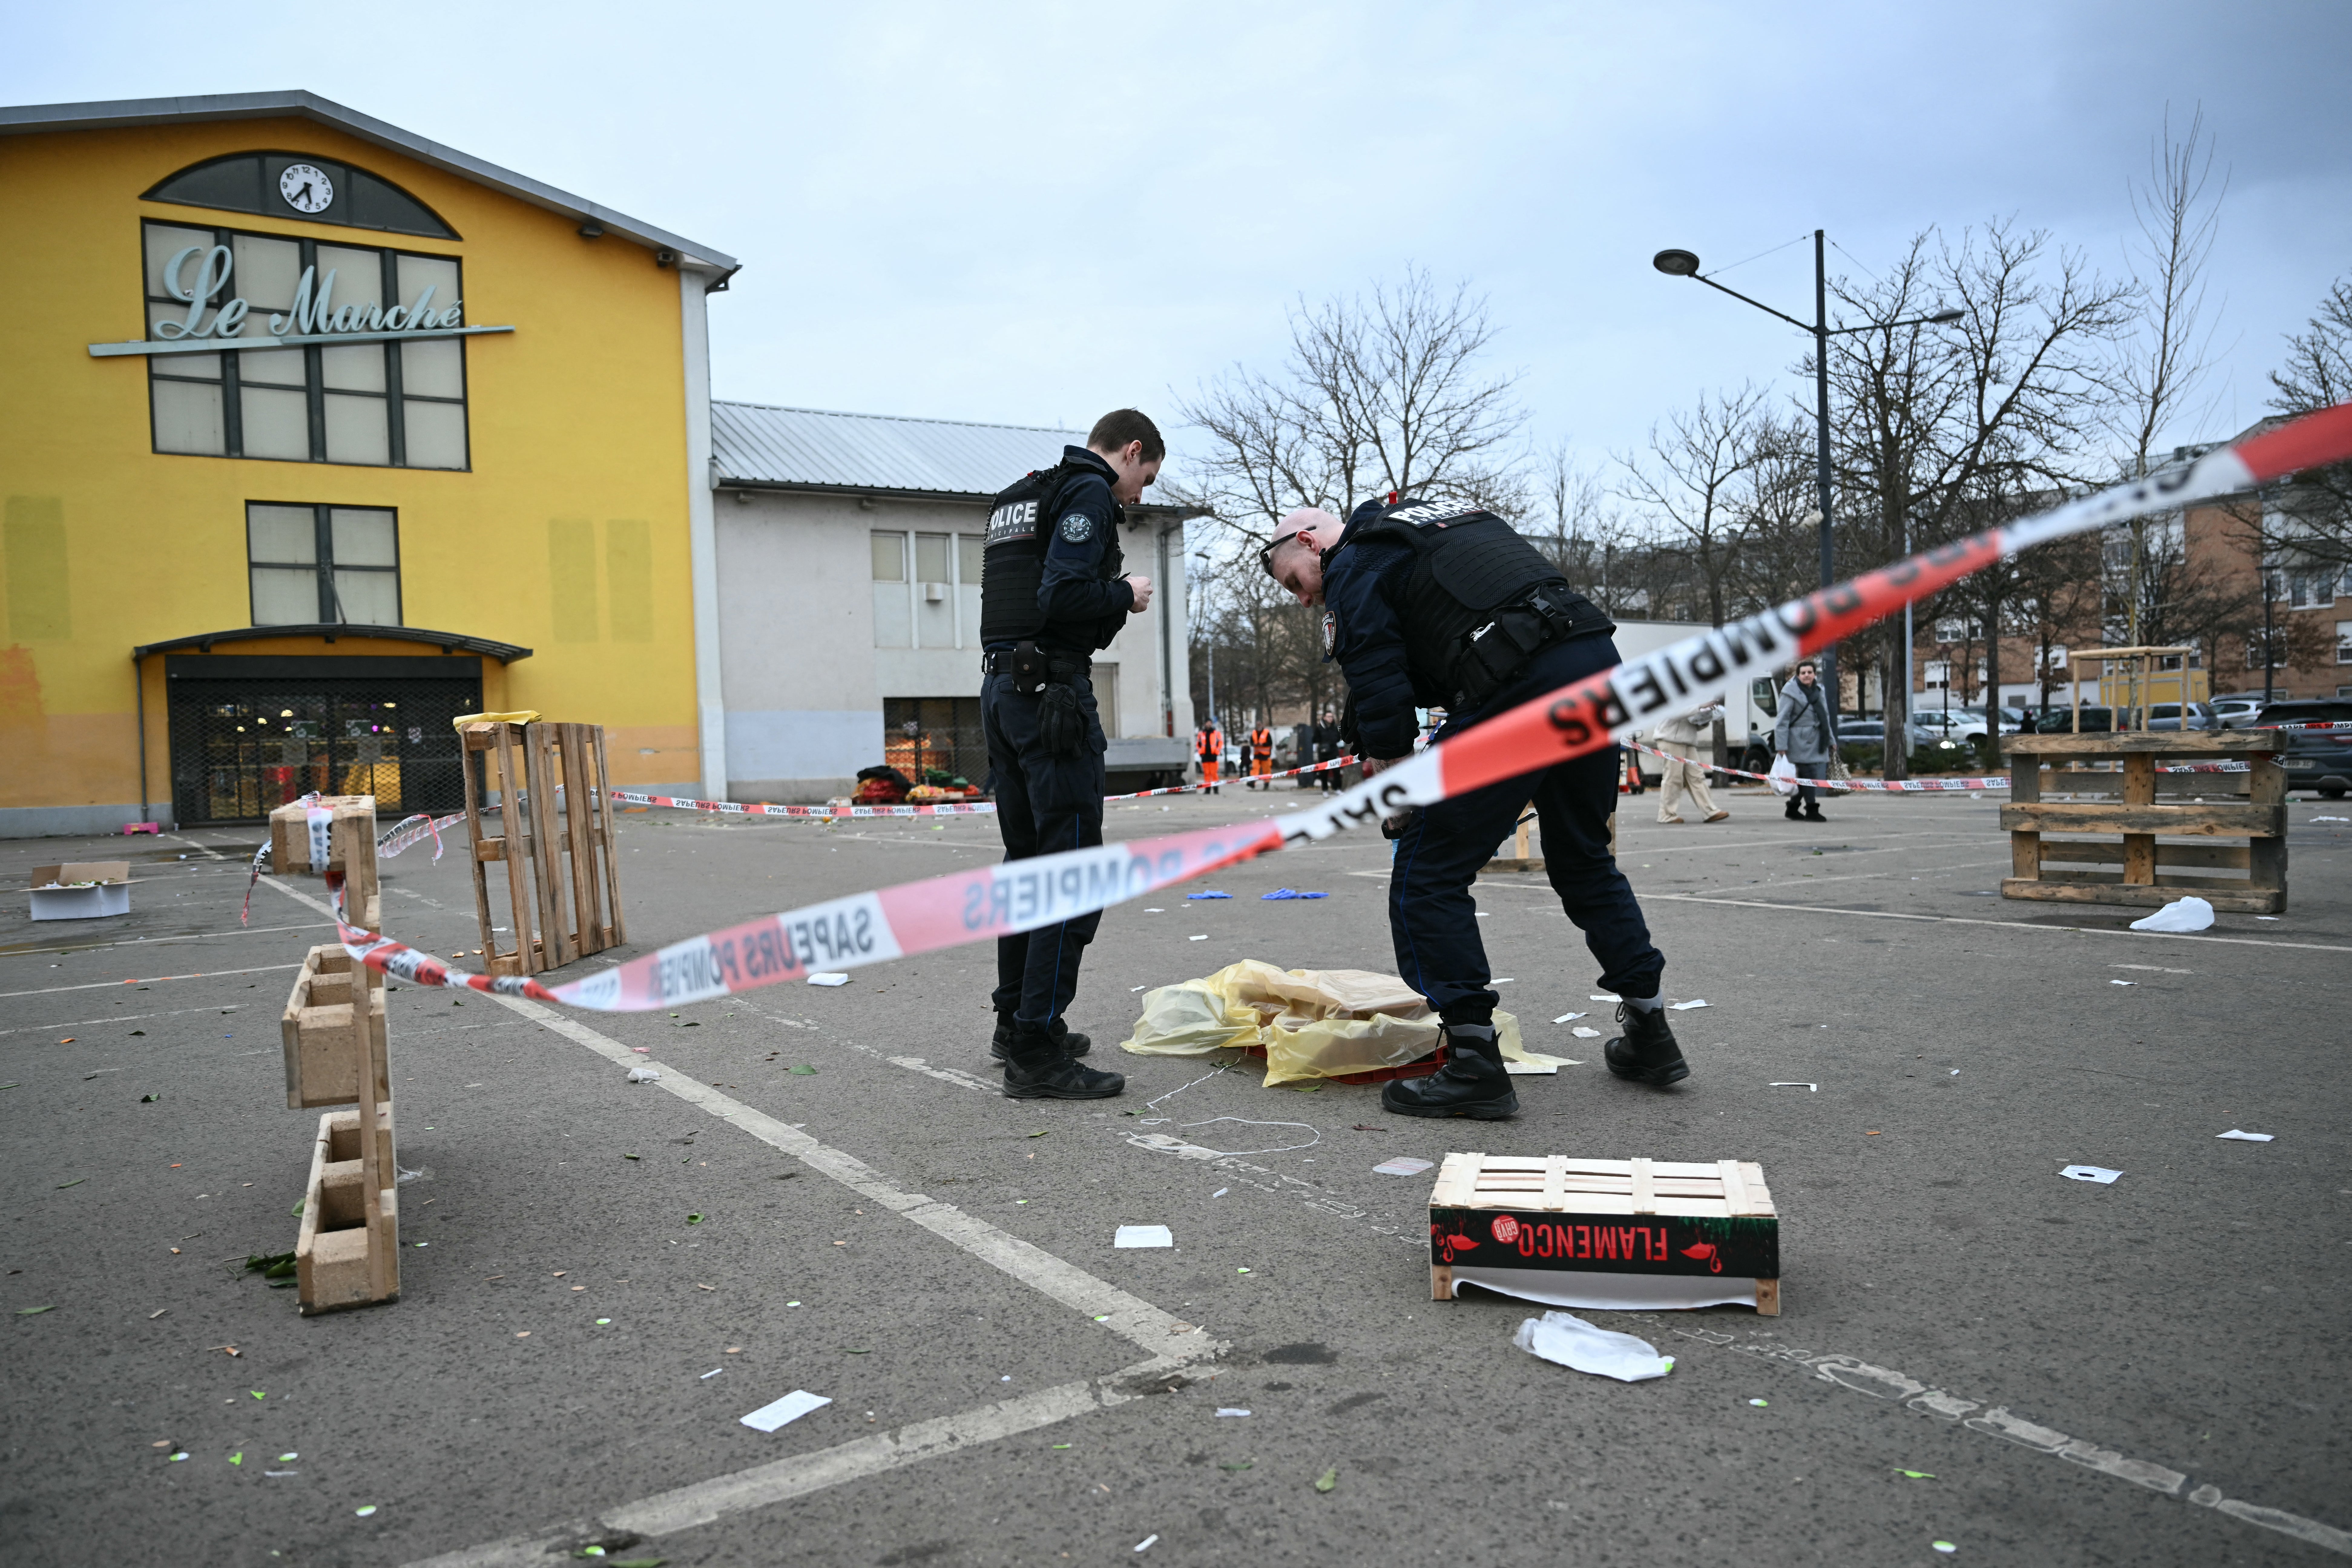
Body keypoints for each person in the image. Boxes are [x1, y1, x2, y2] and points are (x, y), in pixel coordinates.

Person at [1262, 500, 1689, 1119]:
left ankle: (1473, 1063)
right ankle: (1651, 1032)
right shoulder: (1436, 523)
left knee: (1426, 873)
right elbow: (1439, 640)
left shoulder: (1352, 558)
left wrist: (1392, 778)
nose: (1304, 600)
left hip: (1518, 682)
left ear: (1308, 540)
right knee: (1585, 860)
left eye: (1295, 581)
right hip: (1592, 663)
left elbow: (1379, 673)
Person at [978, 409, 1162, 1099]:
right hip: (1051, 701)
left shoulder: (1019, 496)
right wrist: (1126, 593)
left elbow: (1019, 598)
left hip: (1002, 692)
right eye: (1144, 478)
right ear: (1132, 450)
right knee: (1069, 869)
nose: (1137, 496)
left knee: (1026, 865)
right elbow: (1061, 594)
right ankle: (1036, 1047)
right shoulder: (1086, 490)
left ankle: (1017, 1022)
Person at [1773, 660, 1835, 823]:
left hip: (1816, 738)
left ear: (1815, 674)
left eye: (1810, 672)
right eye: (1803, 673)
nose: (1807, 675)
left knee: (1803, 776)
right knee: (1809, 774)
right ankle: (1812, 809)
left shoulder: (1819, 690)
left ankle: (1793, 808)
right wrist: (1781, 746)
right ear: (1798, 675)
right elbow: (1782, 720)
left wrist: (1831, 740)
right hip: (1797, 740)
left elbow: (1825, 717)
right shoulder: (1790, 691)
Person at [1653, 703, 1729, 824]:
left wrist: (1706, 718)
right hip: (1670, 739)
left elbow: (1692, 722)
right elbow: (1676, 712)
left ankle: (1710, 811)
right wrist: (1700, 707)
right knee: (1673, 778)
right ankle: (1666, 815)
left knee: (1697, 777)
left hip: (1687, 740)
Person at [1314, 708, 1342, 792]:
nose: (1331, 718)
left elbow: (1338, 738)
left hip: (1334, 751)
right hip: (1324, 753)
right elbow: (1315, 739)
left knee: (1337, 771)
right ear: (1325, 718)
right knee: (1324, 773)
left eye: (1332, 717)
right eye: (1329, 717)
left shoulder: (1335, 728)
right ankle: (1325, 790)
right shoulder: (1319, 729)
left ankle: (1338, 789)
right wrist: (1324, 744)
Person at [1195, 717, 1224, 793]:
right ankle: (1207, 789)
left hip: (1213, 756)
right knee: (1207, 774)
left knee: (1214, 773)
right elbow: (1198, 745)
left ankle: (1216, 789)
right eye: (1207, 723)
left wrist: (1217, 753)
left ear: (1212, 724)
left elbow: (1220, 744)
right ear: (1205, 724)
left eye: (1210, 723)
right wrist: (1201, 753)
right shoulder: (1201, 734)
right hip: (1205, 756)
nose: (1209, 724)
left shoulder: (1216, 733)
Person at [1247, 721, 1274, 788]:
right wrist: (1254, 744)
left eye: (1260, 725)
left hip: (1266, 756)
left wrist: (1263, 745)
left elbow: (1270, 743)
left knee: (1266, 770)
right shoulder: (1254, 733)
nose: (1258, 726)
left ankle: (1267, 784)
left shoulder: (1267, 733)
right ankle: (1253, 782)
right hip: (1257, 755)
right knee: (1255, 768)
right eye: (1257, 725)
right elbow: (1251, 742)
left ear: (1262, 725)